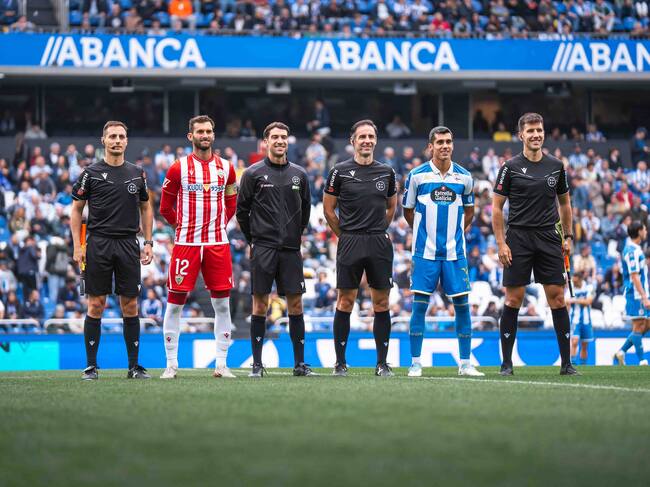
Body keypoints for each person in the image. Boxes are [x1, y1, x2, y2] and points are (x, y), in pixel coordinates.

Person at [492, 113, 578, 376]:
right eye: (530, 131)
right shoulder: (509, 167)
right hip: (518, 238)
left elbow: (564, 203)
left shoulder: (556, 165)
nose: (536, 135)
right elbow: (496, 208)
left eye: (539, 130)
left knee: (557, 298)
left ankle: (566, 364)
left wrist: (568, 237)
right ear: (521, 135)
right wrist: (501, 243)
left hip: (549, 238)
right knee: (514, 298)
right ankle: (506, 364)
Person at [71, 121, 154, 381]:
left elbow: (146, 207)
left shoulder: (137, 173)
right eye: (112, 137)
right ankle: (91, 367)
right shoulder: (90, 173)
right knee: (96, 304)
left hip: (129, 244)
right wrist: (77, 246)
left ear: (127, 141)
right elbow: (76, 210)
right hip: (98, 243)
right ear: (103, 140)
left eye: (121, 136)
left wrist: (149, 242)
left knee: (130, 305)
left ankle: (133, 367)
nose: (117, 140)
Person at [158, 115, 238, 379]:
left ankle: (222, 364)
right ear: (190, 136)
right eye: (200, 131)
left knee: (223, 306)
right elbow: (164, 207)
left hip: (217, 244)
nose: (205, 135)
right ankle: (171, 364)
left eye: (209, 131)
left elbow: (231, 204)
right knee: (174, 305)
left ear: (213, 135)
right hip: (186, 244)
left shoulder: (227, 168)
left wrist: (219, 224)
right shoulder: (177, 168)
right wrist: (181, 227)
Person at [402, 126, 484, 377]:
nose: (445, 146)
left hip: (454, 253)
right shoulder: (416, 176)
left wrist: (454, 232)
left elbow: (469, 212)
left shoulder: (465, 177)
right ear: (431, 146)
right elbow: (408, 211)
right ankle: (415, 362)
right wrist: (423, 233)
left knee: (462, 305)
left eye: (448, 141)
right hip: (424, 253)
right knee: (419, 306)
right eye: (440, 142)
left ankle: (465, 363)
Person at [236, 122, 313, 378]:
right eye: (275, 137)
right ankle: (257, 365)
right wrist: (254, 240)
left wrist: (294, 236)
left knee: (296, 305)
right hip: (263, 248)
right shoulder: (252, 173)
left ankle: (300, 365)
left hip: (291, 249)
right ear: (265, 142)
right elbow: (241, 212)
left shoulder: (299, 174)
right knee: (260, 305)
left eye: (284, 137)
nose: (280, 141)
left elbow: (305, 211)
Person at [323, 120, 397, 377]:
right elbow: (328, 209)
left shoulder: (387, 172)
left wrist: (377, 229)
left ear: (376, 140)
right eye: (362, 136)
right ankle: (340, 363)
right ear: (353, 141)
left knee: (382, 302)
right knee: (345, 301)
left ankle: (382, 363)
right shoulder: (339, 171)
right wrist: (344, 235)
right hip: (350, 241)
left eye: (371, 136)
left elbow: (391, 207)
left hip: (378, 241)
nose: (367, 140)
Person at [614, 221, 649, 366]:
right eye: (645, 229)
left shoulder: (636, 249)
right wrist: (644, 296)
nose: (646, 231)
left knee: (645, 325)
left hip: (640, 293)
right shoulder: (632, 251)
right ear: (639, 231)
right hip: (635, 294)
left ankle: (621, 351)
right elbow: (634, 276)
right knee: (638, 326)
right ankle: (642, 361)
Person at [568, 271, 594, 365]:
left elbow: (589, 301)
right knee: (574, 342)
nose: (574, 283)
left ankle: (583, 365)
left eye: (575, 281)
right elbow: (566, 300)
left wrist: (575, 300)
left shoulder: (588, 287)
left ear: (580, 279)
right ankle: (573, 364)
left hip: (586, 320)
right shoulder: (571, 288)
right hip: (575, 320)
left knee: (584, 345)